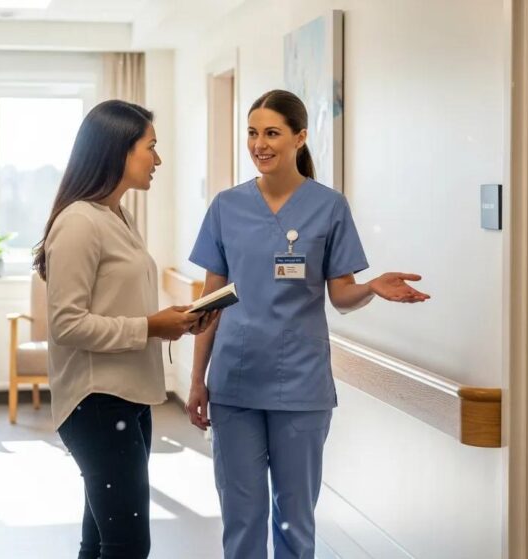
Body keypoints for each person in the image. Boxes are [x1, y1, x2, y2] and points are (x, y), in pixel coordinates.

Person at [186, 89, 430, 559]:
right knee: (242, 515)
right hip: (234, 383)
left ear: (299, 137)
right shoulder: (226, 207)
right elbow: (208, 303)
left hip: (300, 386)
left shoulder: (329, 206)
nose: (260, 144)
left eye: (272, 133)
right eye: (253, 133)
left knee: (295, 518)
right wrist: (197, 379)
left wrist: (372, 287)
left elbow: (341, 295)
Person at [33, 99, 218, 559]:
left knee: (101, 543)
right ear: (118, 150)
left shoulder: (115, 215)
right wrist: (151, 326)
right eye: (150, 147)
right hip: (96, 402)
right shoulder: (79, 222)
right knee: (127, 547)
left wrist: (169, 322)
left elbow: (117, 304)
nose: (157, 160)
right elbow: (67, 324)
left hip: (128, 397)